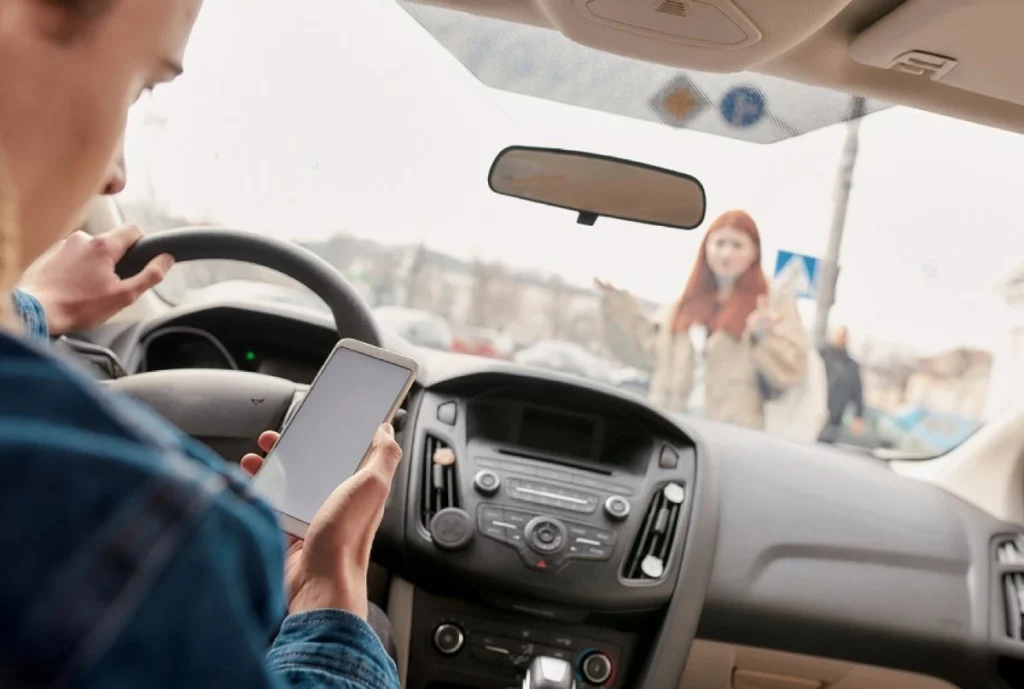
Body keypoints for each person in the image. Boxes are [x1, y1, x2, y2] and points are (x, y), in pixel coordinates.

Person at [0, 1, 399, 687]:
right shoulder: (151, 535)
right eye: (141, 85)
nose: (115, 175)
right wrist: (329, 595)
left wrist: (30, 307)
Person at [596, 209, 808, 430]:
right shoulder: (685, 304)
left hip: (733, 437)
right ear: (706, 247)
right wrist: (616, 303)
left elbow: (792, 370)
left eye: (737, 245)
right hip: (672, 430)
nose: (726, 253)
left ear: (754, 251)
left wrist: (762, 337)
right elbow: (649, 351)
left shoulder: (772, 303)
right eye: (719, 243)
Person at [818, 325, 866, 443]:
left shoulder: (851, 365)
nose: (842, 338)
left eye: (844, 336)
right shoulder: (820, 356)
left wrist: (858, 416)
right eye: (839, 335)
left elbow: (857, 391)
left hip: (834, 420)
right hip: (814, 414)